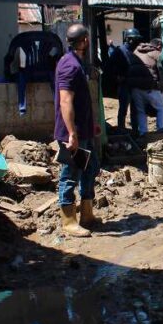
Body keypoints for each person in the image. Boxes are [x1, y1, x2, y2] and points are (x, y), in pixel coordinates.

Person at [54, 24, 100, 237]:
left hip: (84, 131)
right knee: (70, 174)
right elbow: (65, 100)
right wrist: (72, 133)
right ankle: (68, 221)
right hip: (73, 134)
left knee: (89, 170)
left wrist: (91, 125)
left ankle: (87, 214)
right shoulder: (70, 66)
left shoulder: (76, 63)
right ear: (84, 41)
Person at [127, 38, 163, 136]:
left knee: (140, 111)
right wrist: (161, 84)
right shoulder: (156, 53)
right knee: (160, 108)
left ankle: (143, 132)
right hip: (150, 87)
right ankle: (160, 131)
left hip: (135, 87)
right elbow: (161, 68)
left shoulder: (136, 51)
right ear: (159, 46)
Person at [112, 28, 141, 131]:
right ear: (128, 39)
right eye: (134, 39)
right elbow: (110, 66)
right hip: (124, 85)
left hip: (135, 85)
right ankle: (121, 130)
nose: (136, 42)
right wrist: (117, 77)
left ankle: (135, 131)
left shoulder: (137, 52)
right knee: (123, 109)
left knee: (135, 110)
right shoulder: (119, 51)